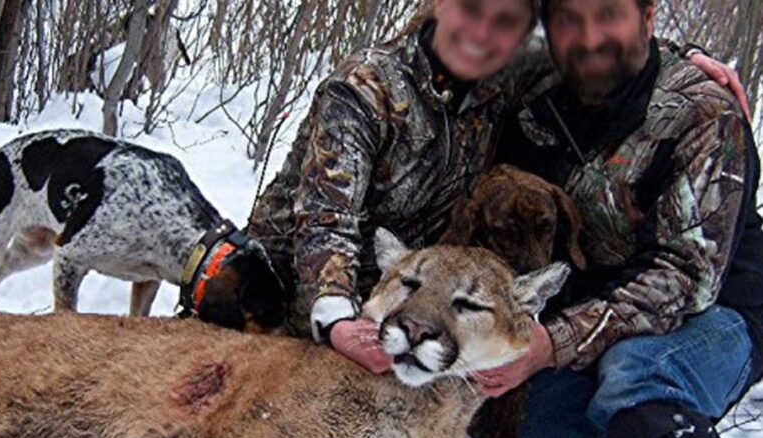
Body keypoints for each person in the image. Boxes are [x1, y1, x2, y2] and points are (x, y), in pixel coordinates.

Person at [246, 0, 744, 375]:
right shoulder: (365, 88)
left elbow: (608, 47)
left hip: (405, 292)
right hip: (290, 286)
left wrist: (686, 61)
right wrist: (334, 318)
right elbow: (324, 221)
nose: (483, 32)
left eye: (505, 22)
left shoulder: (499, 79)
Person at [481, 0, 763, 438]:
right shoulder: (538, 98)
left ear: (649, 17)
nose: (590, 39)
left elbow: (684, 280)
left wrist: (553, 344)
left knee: (636, 369)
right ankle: (638, 426)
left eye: (609, 15)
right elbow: (452, 40)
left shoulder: (704, 114)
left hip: (717, 314)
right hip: (597, 314)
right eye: (571, 20)